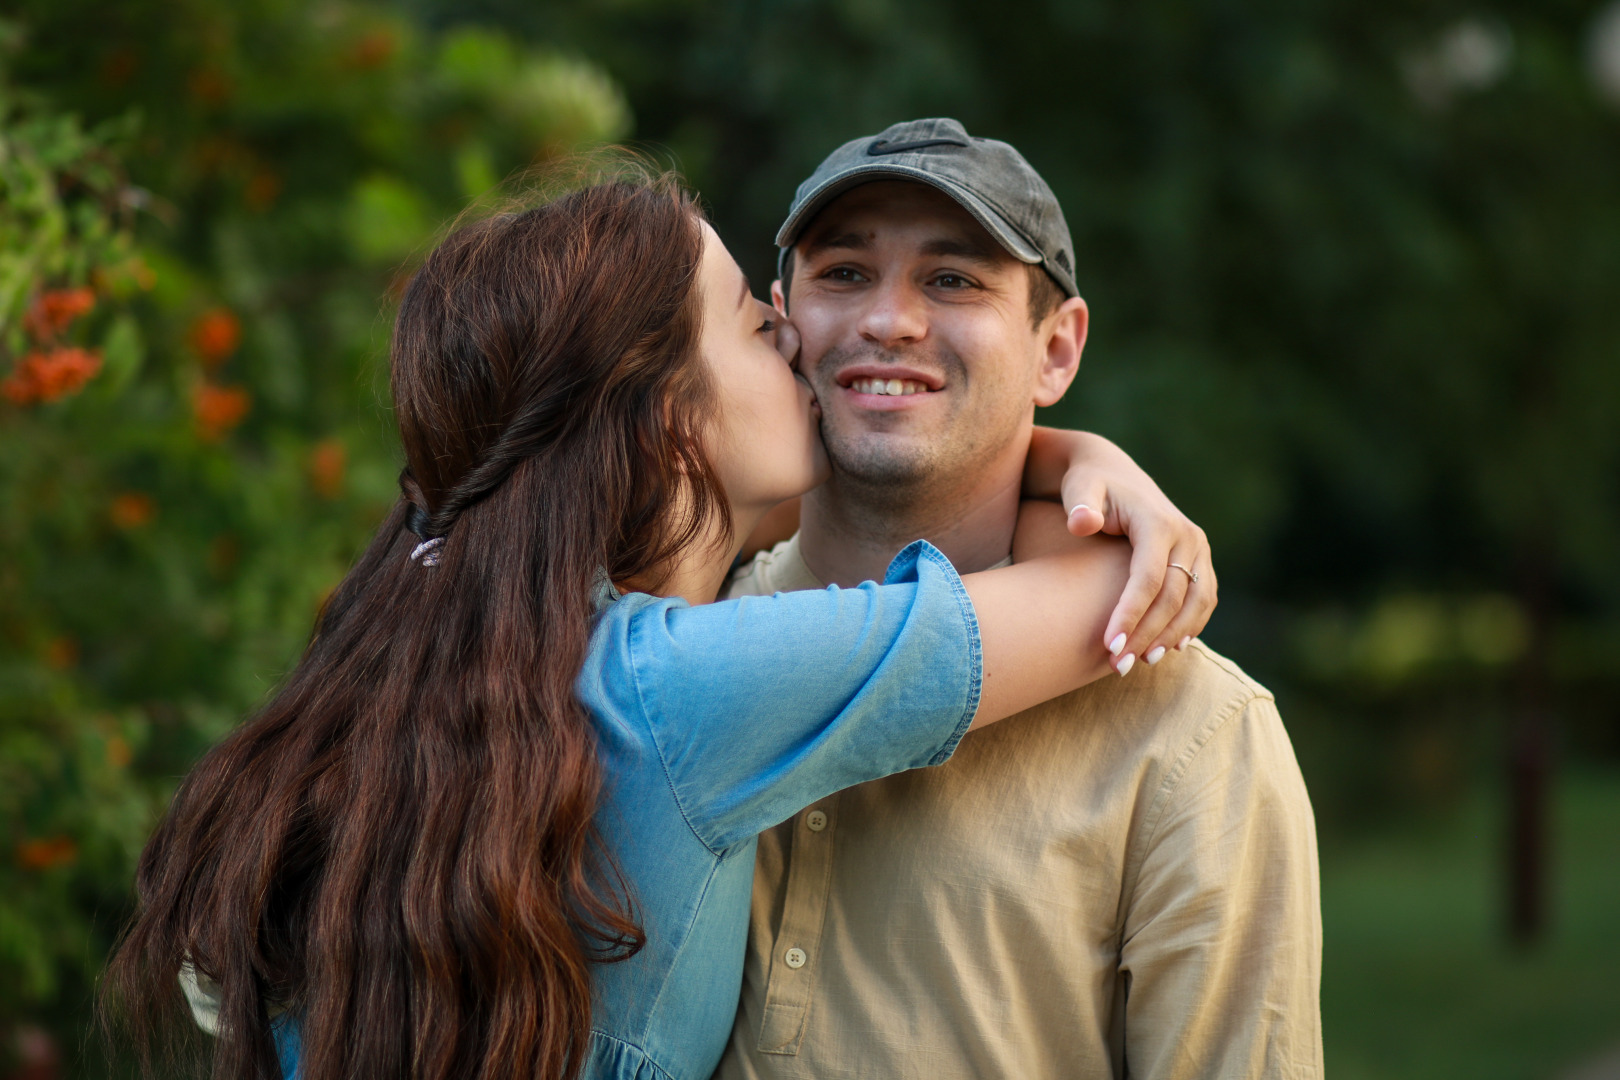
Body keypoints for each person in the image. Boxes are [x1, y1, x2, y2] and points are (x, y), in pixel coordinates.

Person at [103, 166, 1215, 1080]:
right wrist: (1083, 459)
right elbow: (1100, 596)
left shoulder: (449, 664)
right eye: (752, 325)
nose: (797, 341)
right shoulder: (684, 690)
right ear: (667, 413)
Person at [716, 119, 1323, 1080]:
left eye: (953, 280)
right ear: (782, 320)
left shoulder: (1192, 730)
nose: (889, 320)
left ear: (1057, 350)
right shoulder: (678, 630)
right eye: (843, 273)